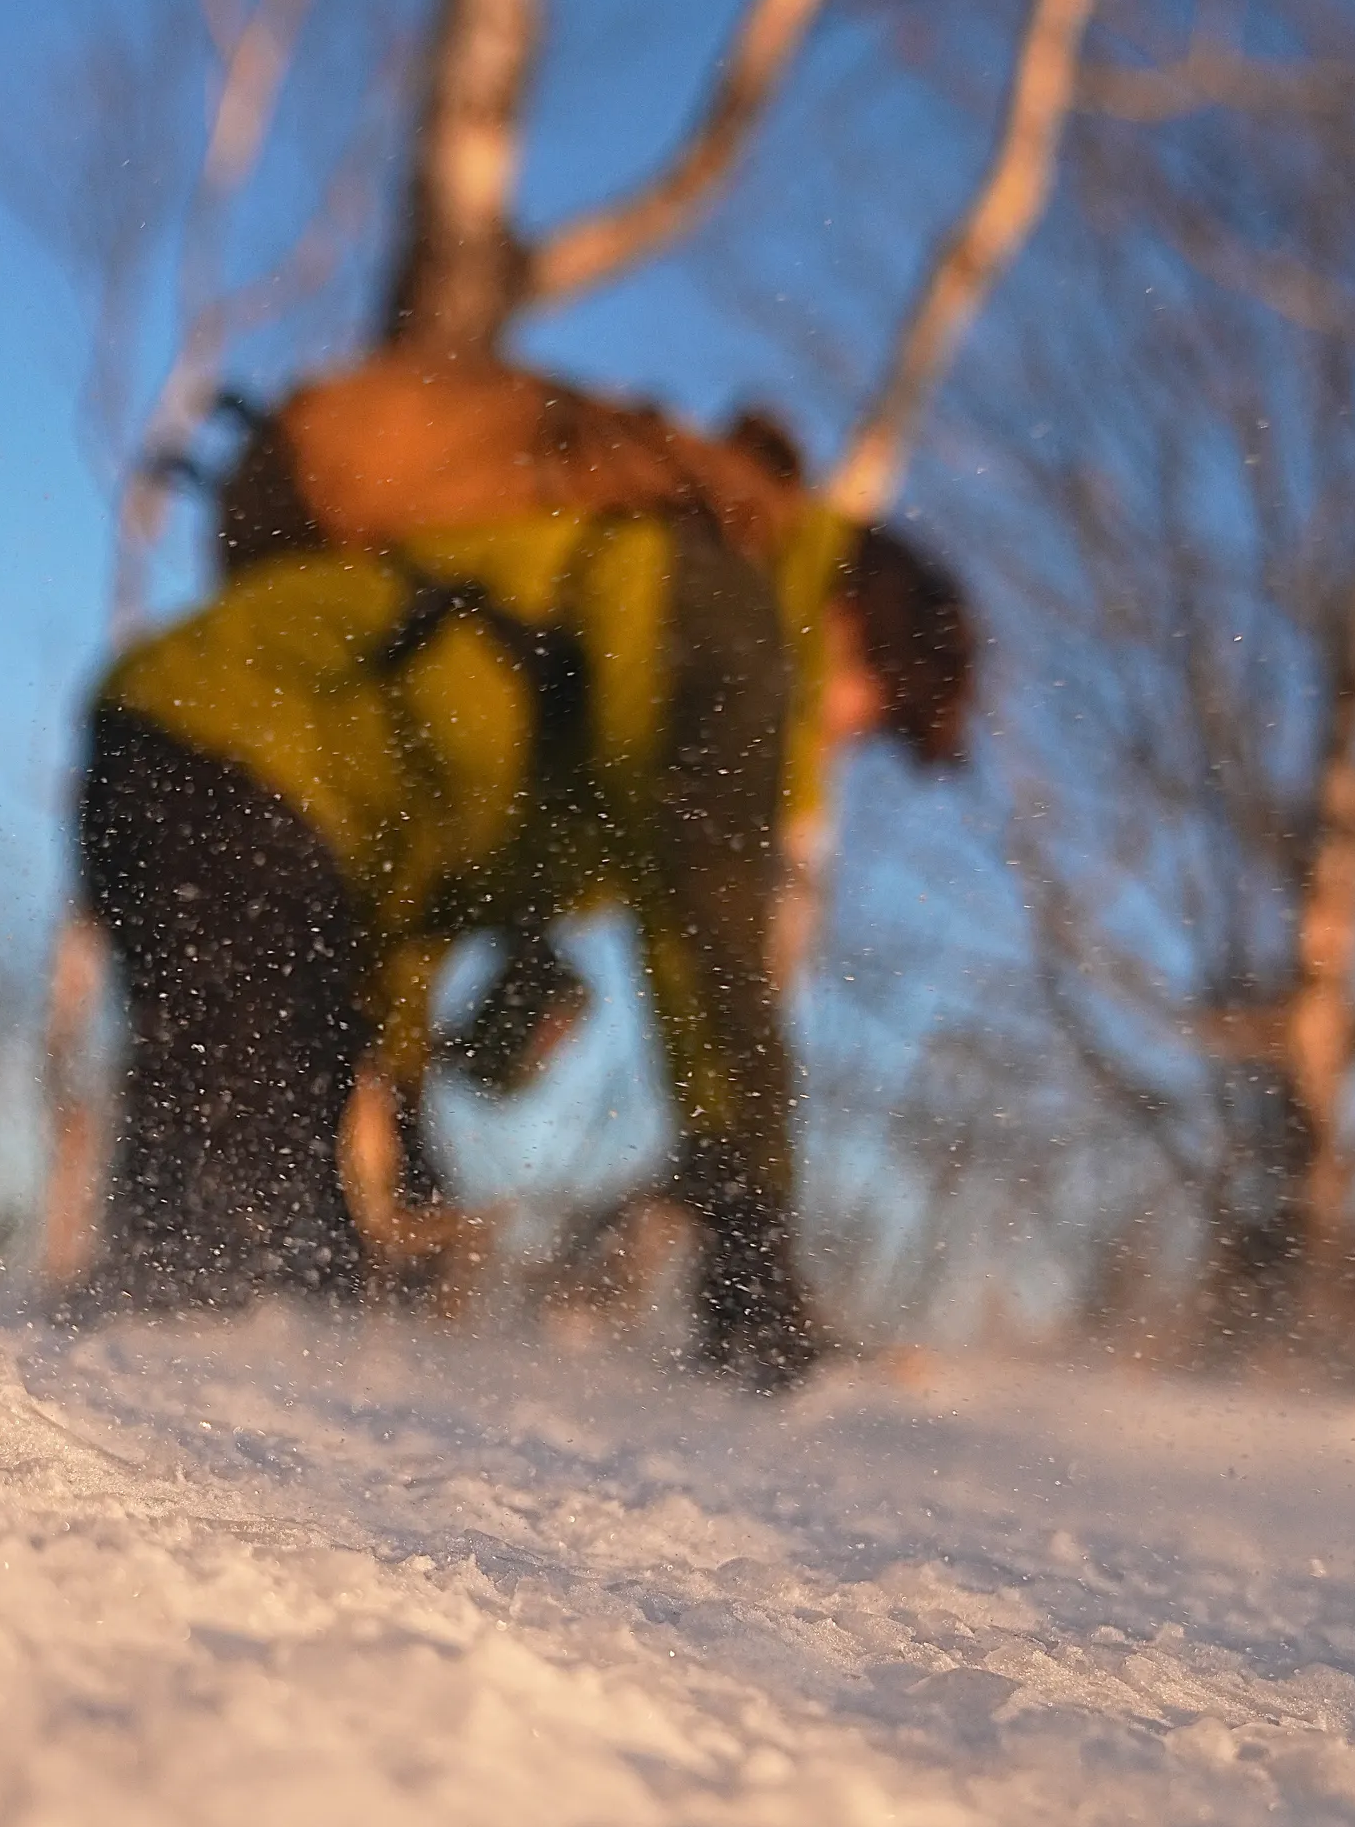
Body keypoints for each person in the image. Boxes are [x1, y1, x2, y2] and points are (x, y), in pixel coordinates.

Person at [71, 358, 972, 1386]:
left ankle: (84, 1417)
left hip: (235, 789)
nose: (852, 738)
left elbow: (410, 886)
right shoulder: (727, 609)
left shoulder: (683, 592)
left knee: (286, 1261)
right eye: (879, 705)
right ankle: (60, 1456)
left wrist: (404, 1117)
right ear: (856, 622)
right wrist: (752, 1246)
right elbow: (708, 931)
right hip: (228, 757)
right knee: (231, 1258)